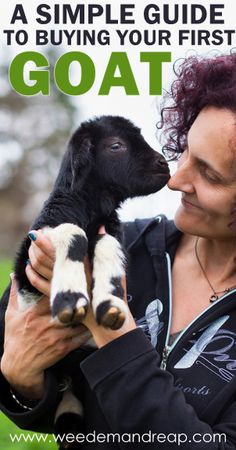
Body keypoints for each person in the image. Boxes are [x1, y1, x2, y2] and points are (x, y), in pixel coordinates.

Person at [1, 51, 236, 449]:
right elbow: (42, 393)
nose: (176, 179)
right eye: (185, 154)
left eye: (209, 174)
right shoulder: (127, 244)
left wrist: (111, 330)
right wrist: (22, 377)